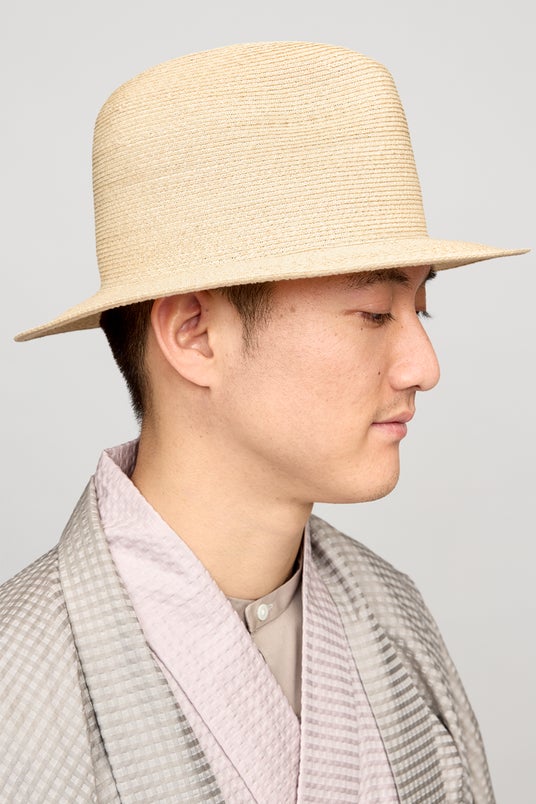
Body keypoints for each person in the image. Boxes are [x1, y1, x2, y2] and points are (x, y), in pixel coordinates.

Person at [0, 41, 528, 803]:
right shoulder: (20, 680)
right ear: (194, 335)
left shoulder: (395, 615)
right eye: (374, 312)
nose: (424, 365)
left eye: (422, 307)